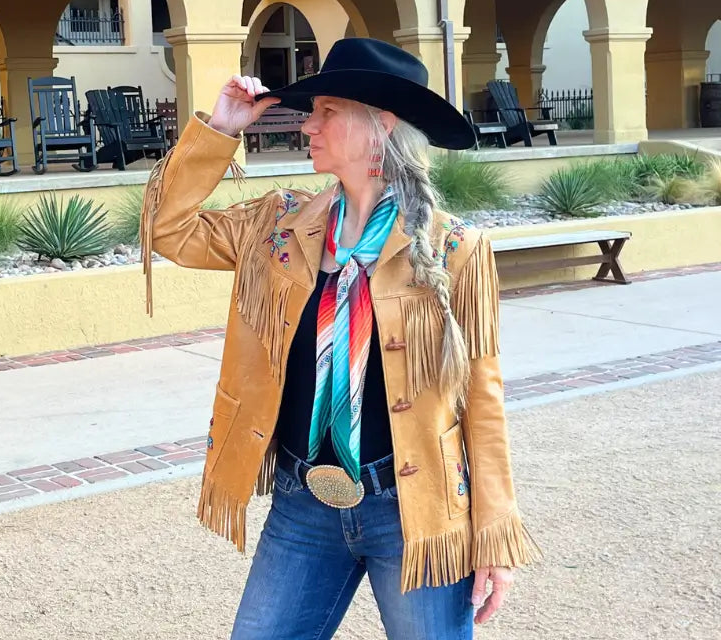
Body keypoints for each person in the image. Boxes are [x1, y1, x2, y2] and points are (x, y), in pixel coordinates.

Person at [141, 38, 540, 640]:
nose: (308, 124)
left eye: (327, 110)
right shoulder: (279, 226)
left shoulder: (454, 249)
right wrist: (218, 132)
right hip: (303, 503)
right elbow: (166, 229)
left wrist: (494, 533)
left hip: (415, 509)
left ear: (380, 124)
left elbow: (481, 401)